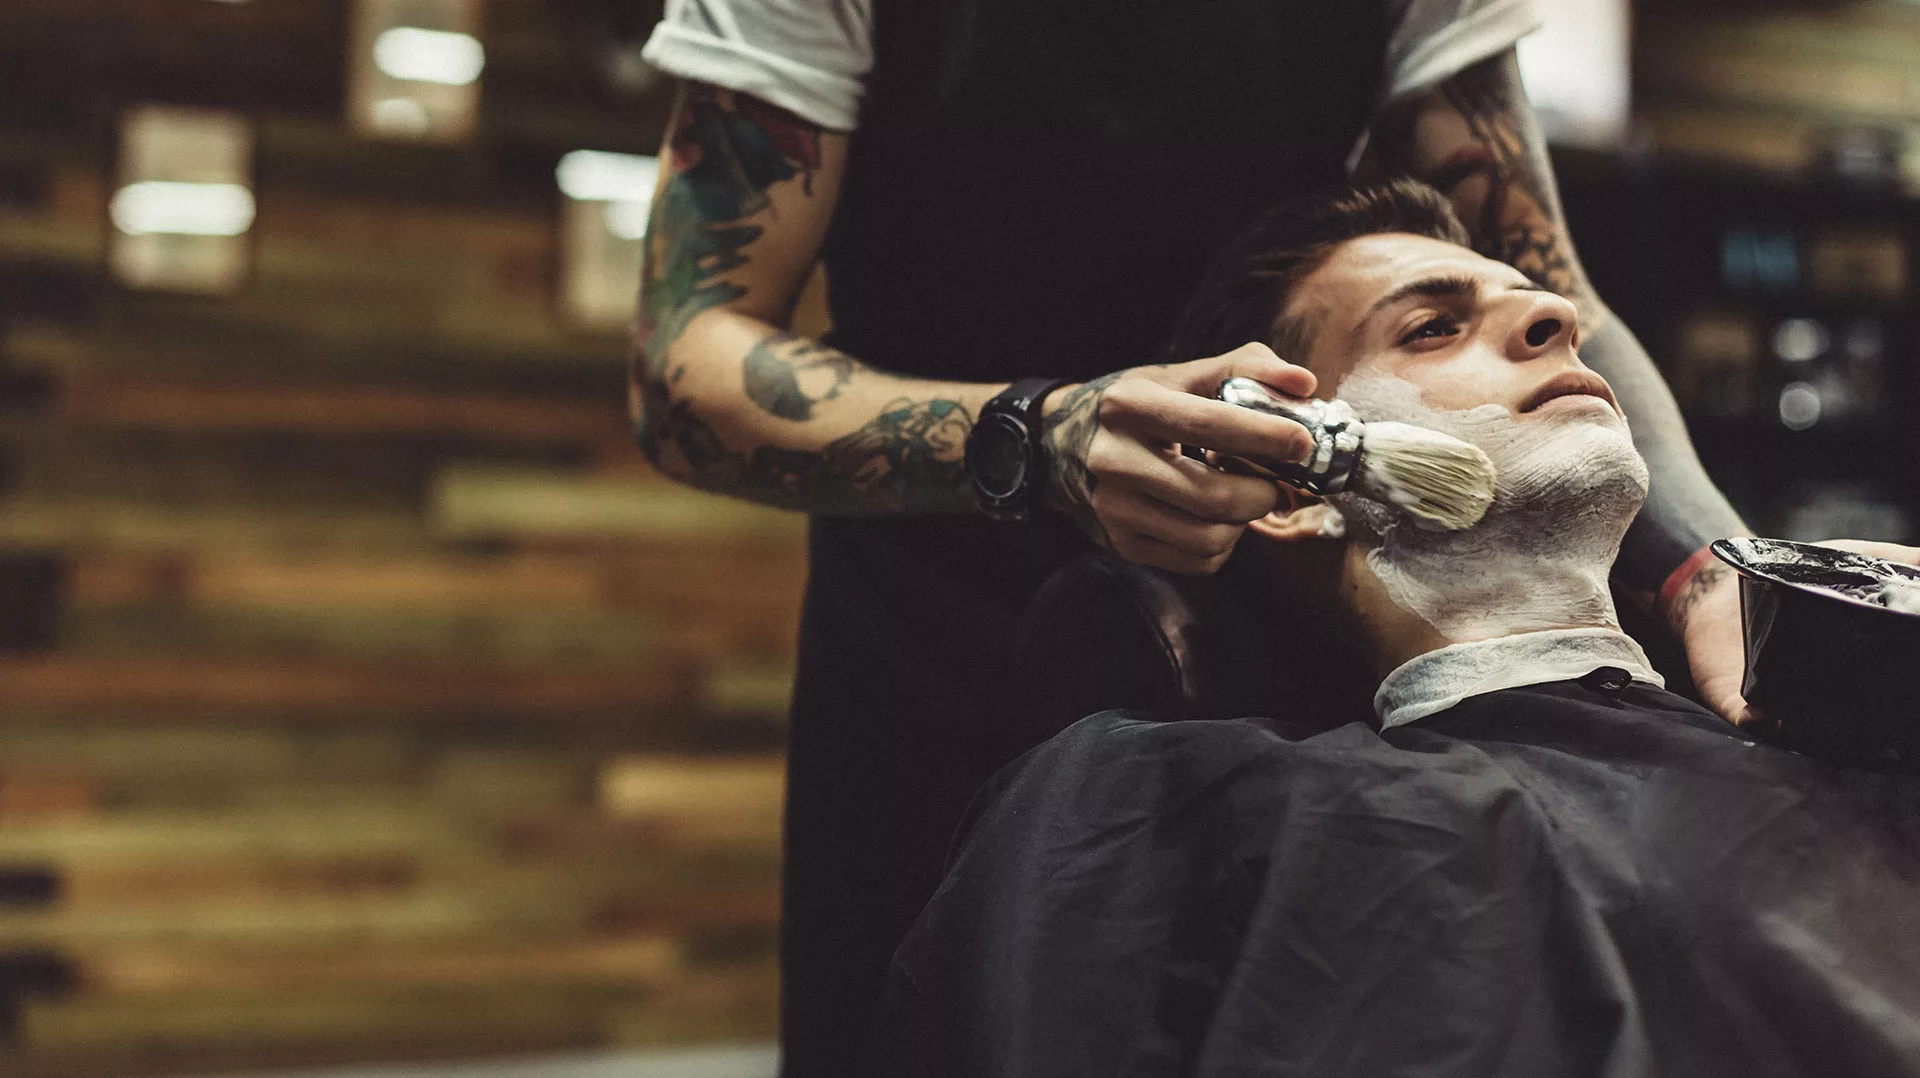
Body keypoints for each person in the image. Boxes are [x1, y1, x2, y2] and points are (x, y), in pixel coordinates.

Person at [630, 3, 1771, 1067]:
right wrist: (1033, 435)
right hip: (940, 623)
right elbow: (688, 360)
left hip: (1302, 622)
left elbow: (1556, 288)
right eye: (1436, 324)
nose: (1542, 323)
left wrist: (1719, 568)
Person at [868, 180, 1920, 1077]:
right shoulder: (1246, 816)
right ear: (1290, 489)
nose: (1555, 314)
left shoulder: (1828, 711)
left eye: (1533, 298)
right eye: (1431, 326)